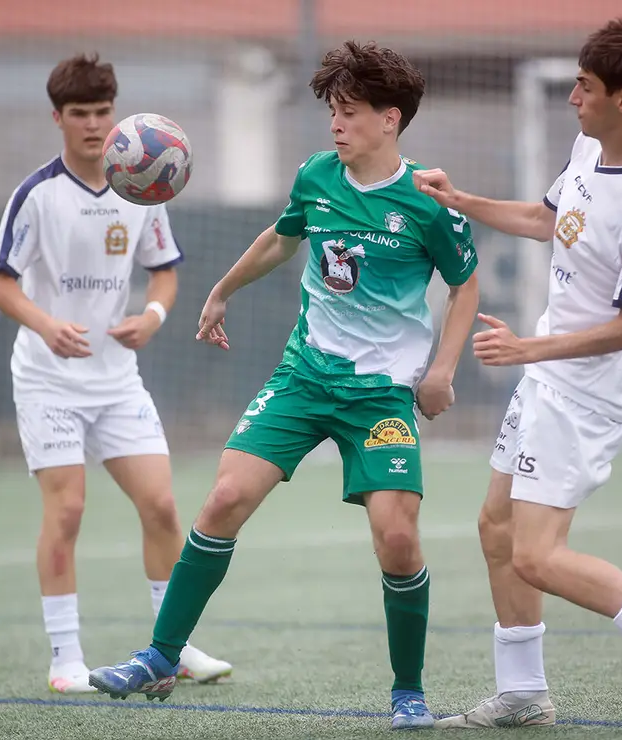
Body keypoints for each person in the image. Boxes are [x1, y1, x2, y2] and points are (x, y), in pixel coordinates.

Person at [88, 40, 481, 730]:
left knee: (397, 539)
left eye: (351, 112)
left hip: (381, 396)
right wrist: (220, 291)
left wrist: (443, 368)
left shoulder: (427, 203)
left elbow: (466, 281)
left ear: (391, 120)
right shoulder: (316, 176)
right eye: (333, 111)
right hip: (304, 376)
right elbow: (282, 235)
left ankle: (408, 692)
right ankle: (160, 655)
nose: (337, 124)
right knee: (225, 497)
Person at [412, 16, 622, 734]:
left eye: (584, 88)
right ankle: (523, 693)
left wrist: (530, 351)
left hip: (588, 392)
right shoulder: (588, 148)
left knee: (535, 554)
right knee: (496, 526)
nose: (570, 98)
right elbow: (543, 217)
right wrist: (459, 200)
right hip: (550, 378)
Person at [0, 52, 232, 694]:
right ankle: (65, 658)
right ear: (58, 118)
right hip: (48, 380)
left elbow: (166, 271)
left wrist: (152, 314)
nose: (94, 125)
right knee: (67, 512)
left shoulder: (141, 184)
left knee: (161, 505)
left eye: (102, 111)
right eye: (80, 114)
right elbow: (0, 285)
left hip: (117, 379)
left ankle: (171, 647)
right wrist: (45, 324)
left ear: (114, 114)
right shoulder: (36, 195)